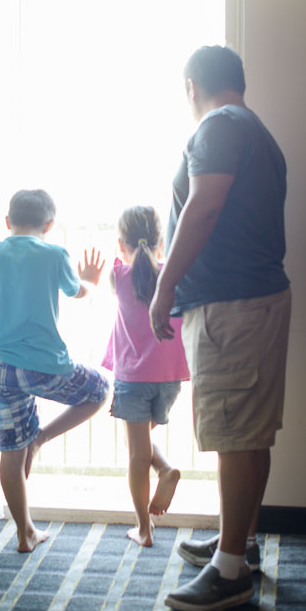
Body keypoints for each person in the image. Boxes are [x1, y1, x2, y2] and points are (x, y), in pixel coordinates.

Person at [149, 45, 291, 611]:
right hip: (254, 300)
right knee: (250, 432)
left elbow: (203, 206)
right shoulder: (254, 129)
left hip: (233, 306)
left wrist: (163, 287)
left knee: (235, 433)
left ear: (191, 86)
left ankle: (230, 569)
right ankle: (243, 543)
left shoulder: (217, 127)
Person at [0, 188, 110, 553]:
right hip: (43, 366)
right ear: (50, 224)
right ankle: (42, 437)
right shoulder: (54, 253)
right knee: (100, 390)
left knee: (10, 449)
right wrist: (92, 281)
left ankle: (25, 532)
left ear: (7, 222)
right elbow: (77, 291)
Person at [102, 206, 189, 547]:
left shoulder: (118, 276)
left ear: (121, 245)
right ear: (161, 242)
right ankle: (165, 468)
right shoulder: (174, 274)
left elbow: (127, 270)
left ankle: (143, 528)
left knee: (136, 453)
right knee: (137, 443)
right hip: (168, 379)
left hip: (133, 379)